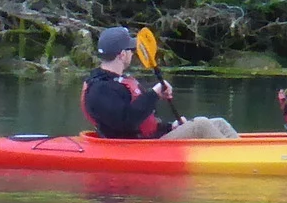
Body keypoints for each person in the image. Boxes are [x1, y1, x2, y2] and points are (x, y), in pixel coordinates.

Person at [81, 27, 238, 140]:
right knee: (201, 125)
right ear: (122, 55)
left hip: (150, 141)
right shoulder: (100, 89)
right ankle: (233, 160)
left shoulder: (114, 82)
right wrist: (154, 94)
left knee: (219, 123)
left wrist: (170, 127)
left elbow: (142, 122)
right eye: (131, 50)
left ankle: (242, 153)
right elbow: (126, 122)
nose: (133, 53)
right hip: (138, 150)